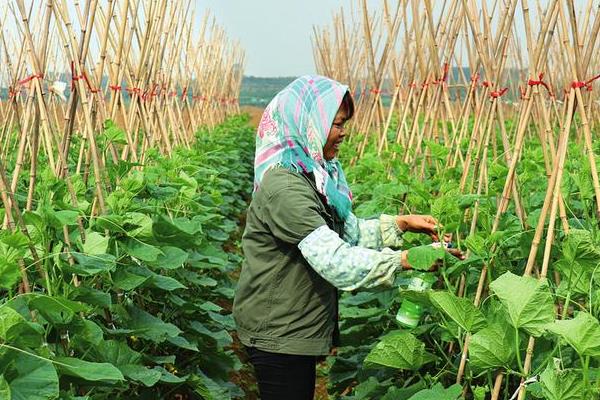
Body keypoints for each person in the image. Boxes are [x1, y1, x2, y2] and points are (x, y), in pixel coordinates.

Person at [233, 75, 461, 400]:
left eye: (343, 124)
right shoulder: (285, 188)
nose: (343, 133)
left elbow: (349, 233)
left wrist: (401, 225)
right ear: (308, 124)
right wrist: (409, 260)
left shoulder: (313, 175)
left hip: (293, 324)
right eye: (336, 124)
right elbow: (336, 260)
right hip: (278, 331)